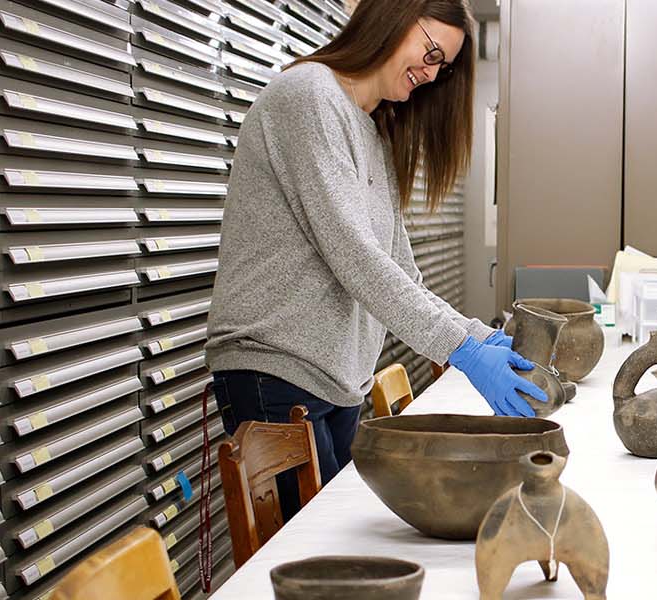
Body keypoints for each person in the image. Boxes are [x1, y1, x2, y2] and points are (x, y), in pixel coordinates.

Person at [205, 0, 543, 506]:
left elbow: (399, 268)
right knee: (313, 563)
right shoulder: (309, 98)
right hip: (275, 372)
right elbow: (355, 257)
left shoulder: (370, 131)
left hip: (337, 381)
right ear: (393, 17)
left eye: (442, 67)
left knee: (338, 548)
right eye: (430, 53)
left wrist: (480, 337)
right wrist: (461, 350)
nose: (430, 75)